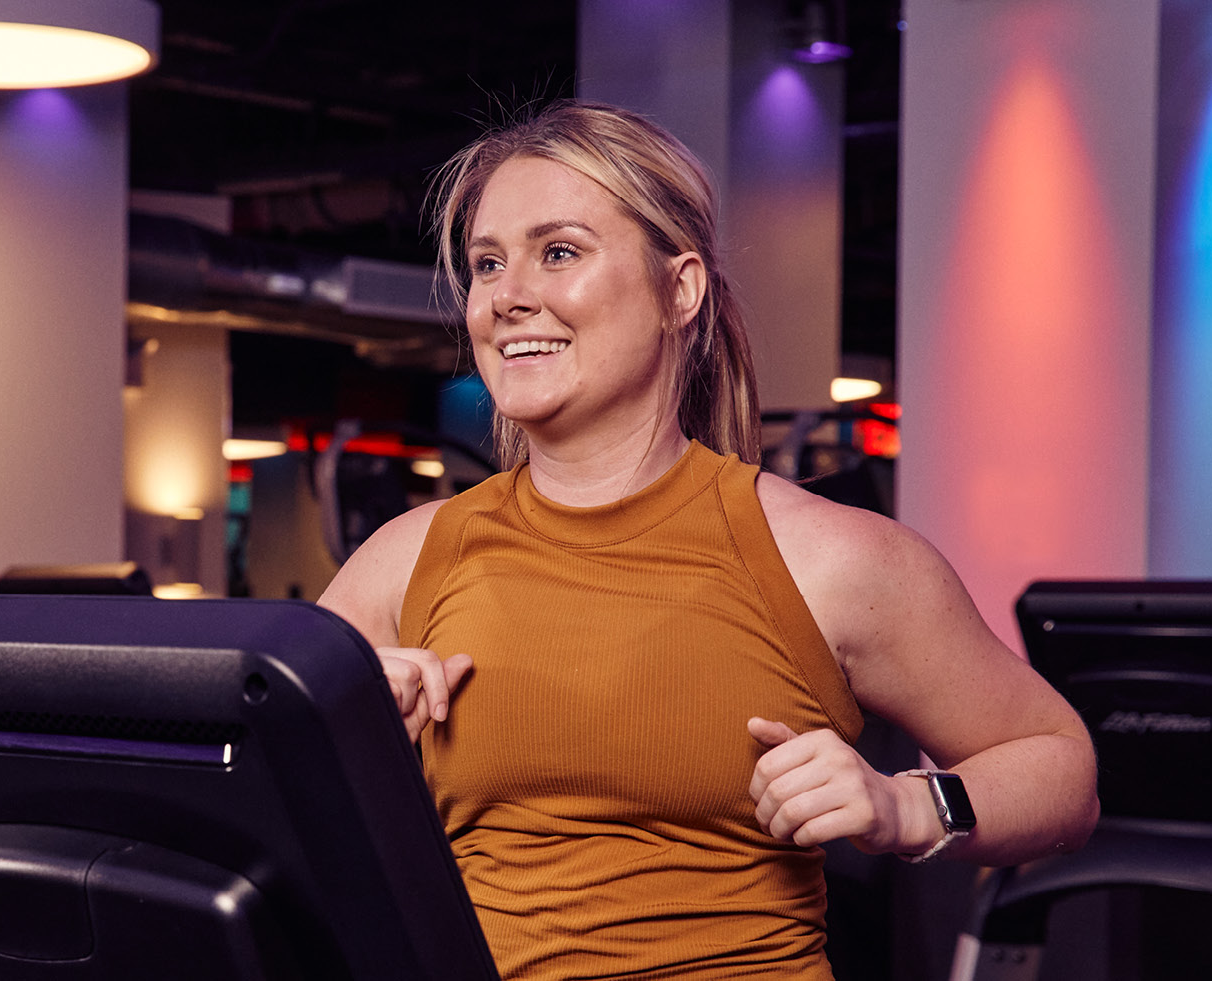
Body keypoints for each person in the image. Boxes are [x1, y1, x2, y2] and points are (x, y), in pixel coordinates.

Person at [317, 101, 1098, 980]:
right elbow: (252, 824)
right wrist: (340, 749)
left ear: (678, 289)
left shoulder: (826, 558)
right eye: (486, 263)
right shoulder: (406, 558)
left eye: (559, 252)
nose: (505, 295)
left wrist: (904, 805)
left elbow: (1060, 768)